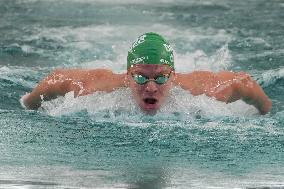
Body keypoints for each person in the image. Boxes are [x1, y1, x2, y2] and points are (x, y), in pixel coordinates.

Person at [22, 32, 272, 115]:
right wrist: (28, 107)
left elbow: (245, 83)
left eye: (161, 77)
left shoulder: (205, 90)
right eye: (141, 77)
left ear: (173, 75)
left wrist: (266, 112)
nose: (151, 87)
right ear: (128, 75)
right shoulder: (94, 86)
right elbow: (55, 80)